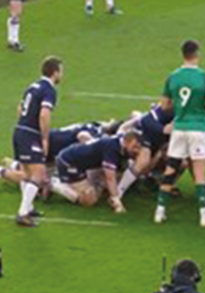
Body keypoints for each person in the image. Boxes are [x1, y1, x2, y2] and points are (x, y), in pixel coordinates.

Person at [155, 40, 205, 227]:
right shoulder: (204, 77)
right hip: (199, 128)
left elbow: (164, 105)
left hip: (179, 128)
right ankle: (204, 215)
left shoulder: (173, 77)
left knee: (171, 169)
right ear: (197, 54)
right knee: (200, 173)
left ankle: (160, 211)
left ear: (183, 55)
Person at [12, 56, 64, 227]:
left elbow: (20, 108)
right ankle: (22, 214)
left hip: (19, 130)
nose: (62, 75)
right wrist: (44, 137)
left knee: (26, 172)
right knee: (39, 173)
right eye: (61, 71)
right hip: (30, 134)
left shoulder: (32, 86)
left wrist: (23, 125)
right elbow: (44, 114)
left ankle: (29, 206)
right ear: (55, 72)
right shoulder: (49, 90)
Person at [56, 132, 143, 211]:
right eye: (134, 147)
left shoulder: (118, 141)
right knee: (89, 201)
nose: (136, 151)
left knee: (100, 190)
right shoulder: (112, 148)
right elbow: (110, 177)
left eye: (138, 147)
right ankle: (55, 184)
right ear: (126, 142)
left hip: (85, 164)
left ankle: (86, 184)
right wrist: (117, 201)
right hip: (69, 163)